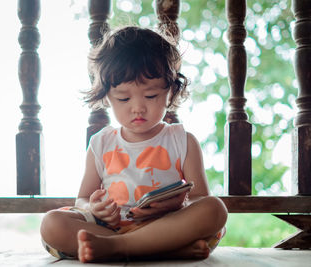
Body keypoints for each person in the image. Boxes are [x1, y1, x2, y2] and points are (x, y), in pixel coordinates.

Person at [40, 26, 227, 263]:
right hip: (111, 229)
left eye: (151, 96)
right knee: (52, 224)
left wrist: (179, 205)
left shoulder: (183, 140)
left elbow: (200, 198)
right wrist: (95, 208)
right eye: (124, 98)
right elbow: (82, 199)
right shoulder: (101, 143)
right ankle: (155, 250)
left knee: (214, 209)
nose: (138, 107)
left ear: (170, 91)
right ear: (106, 95)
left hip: (167, 229)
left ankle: (122, 248)